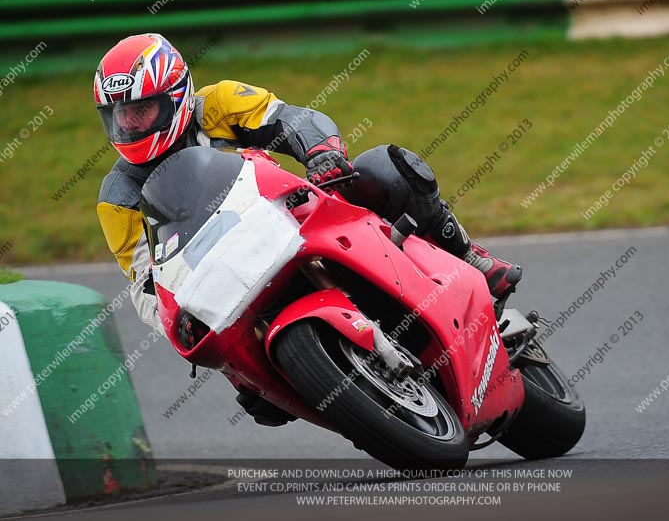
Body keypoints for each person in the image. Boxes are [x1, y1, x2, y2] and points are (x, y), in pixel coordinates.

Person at [95, 33, 522, 424]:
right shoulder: (117, 196)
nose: (129, 125)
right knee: (259, 403)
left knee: (384, 169)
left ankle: (468, 256)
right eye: (118, 116)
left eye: (140, 110)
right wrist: (173, 320)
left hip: (292, 214)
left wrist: (321, 152)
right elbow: (145, 283)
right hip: (225, 283)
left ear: (176, 96)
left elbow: (294, 120)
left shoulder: (219, 104)